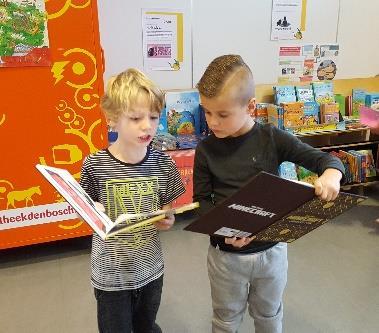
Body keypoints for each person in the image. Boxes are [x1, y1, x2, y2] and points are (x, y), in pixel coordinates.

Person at [193, 55, 345, 333]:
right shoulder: (205, 151)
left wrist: (331, 175)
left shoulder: (272, 139)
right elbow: (202, 203)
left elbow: (329, 162)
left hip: (271, 253)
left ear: (251, 106)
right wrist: (223, 231)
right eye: (207, 111)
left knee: (269, 315)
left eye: (222, 114)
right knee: (225, 319)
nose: (212, 122)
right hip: (226, 258)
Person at [80, 68, 185, 333]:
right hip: (111, 275)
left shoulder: (162, 163)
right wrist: (94, 211)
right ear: (112, 119)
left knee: (146, 327)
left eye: (153, 116)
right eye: (136, 118)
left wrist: (168, 217)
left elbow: (167, 210)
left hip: (150, 269)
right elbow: (85, 209)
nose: (147, 125)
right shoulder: (95, 165)